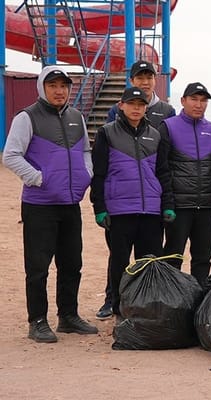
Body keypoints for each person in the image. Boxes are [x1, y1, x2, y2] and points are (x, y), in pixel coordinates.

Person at [3, 66, 98, 342]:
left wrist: (86, 174)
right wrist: (38, 178)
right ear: (42, 87)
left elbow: (85, 152)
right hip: (39, 204)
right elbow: (11, 155)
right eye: (53, 85)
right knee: (38, 266)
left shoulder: (75, 117)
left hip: (69, 203)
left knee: (72, 263)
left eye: (64, 86)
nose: (59, 91)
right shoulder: (27, 117)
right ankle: (38, 321)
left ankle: (68, 316)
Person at [96, 59, 176, 319]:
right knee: (118, 261)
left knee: (149, 261)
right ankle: (116, 305)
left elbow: (164, 168)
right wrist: (100, 206)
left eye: (148, 76)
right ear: (122, 105)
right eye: (132, 103)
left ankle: (145, 308)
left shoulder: (161, 122)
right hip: (120, 208)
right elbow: (100, 172)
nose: (137, 108)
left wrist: (167, 203)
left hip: (150, 208)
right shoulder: (108, 130)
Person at [159, 82, 211, 288]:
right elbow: (162, 169)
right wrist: (167, 203)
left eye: (203, 100)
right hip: (179, 206)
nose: (198, 104)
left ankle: (198, 302)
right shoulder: (168, 126)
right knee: (173, 257)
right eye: (194, 99)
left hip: (207, 206)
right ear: (183, 101)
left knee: (203, 258)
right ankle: (171, 302)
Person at [106, 59, 176, 127]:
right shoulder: (117, 110)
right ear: (131, 81)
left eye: (149, 78)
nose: (145, 82)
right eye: (140, 78)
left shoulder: (168, 111)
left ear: (155, 80)